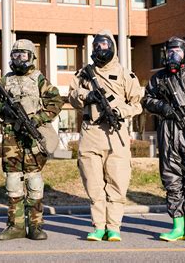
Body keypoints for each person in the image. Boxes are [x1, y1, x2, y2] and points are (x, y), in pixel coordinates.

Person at [0, 39, 63, 241]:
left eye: (23, 55)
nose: (19, 59)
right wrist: (2, 108)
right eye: (15, 55)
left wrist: (38, 118)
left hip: (32, 138)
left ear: (32, 57)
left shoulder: (39, 80)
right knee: (12, 182)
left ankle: (36, 226)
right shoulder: (5, 81)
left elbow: (56, 101)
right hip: (11, 138)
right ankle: (15, 226)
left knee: (34, 181)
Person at [68, 30, 143, 241]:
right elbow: (72, 97)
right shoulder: (84, 74)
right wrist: (86, 96)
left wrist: (122, 111)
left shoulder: (125, 74)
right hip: (91, 131)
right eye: (98, 45)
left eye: (106, 45)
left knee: (117, 183)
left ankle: (114, 228)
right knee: (93, 184)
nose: (102, 49)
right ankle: (98, 226)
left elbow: (137, 104)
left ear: (113, 47)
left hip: (116, 134)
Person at [142, 36, 185, 242]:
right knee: (172, 178)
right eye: (170, 51)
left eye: (177, 51)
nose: (173, 55)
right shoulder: (159, 78)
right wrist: (164, 108)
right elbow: (147, 100)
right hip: (168, 131)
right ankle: (177, 226)